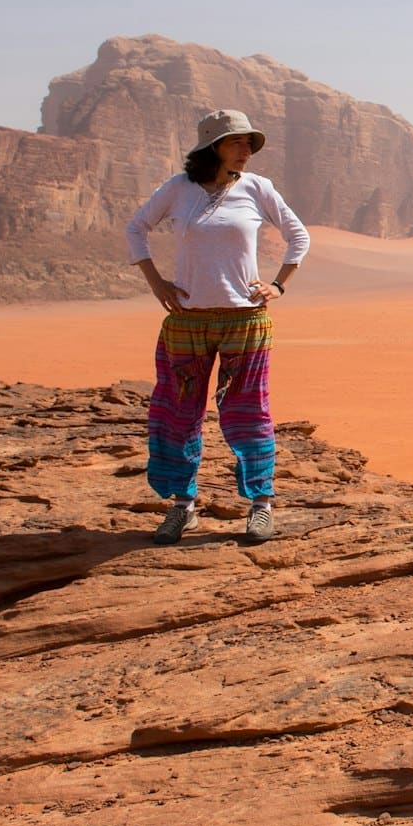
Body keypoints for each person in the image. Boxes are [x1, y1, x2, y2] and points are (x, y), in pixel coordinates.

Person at [126, 109, 310, 545]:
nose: (247, 150)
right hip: (187, 321)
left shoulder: (257, 188)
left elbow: (298, 235)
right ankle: (182, 505)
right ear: (213, 146)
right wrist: (156, 283)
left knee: (248, 412)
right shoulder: (179, 188)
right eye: (237, 142)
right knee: (177, 413)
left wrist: (279, 286)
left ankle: (261, 505)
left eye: (249, 143)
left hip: (245, 321)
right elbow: (136, 229)